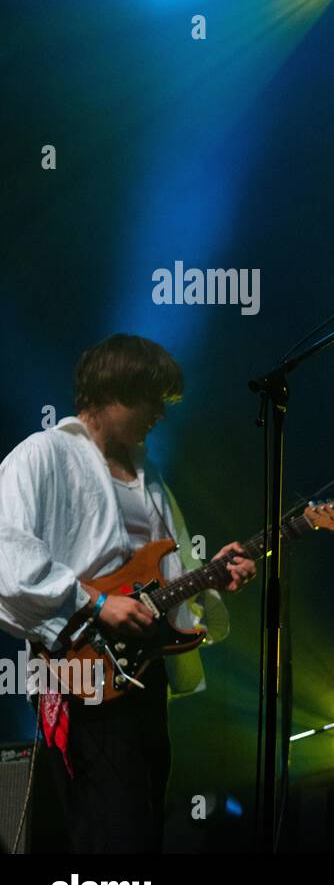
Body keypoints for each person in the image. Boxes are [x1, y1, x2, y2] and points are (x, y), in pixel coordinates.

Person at [0, 333, 257, 853]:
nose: (160, 414)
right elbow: (8, 556)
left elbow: (162, 575)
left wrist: (209, 577)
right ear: (111, 392)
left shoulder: (150, 477)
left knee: (142, 829)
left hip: (143, 678)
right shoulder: (42, 454)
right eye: (151, 399)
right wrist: (95, 603)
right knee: (107, 834)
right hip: (81, 673)